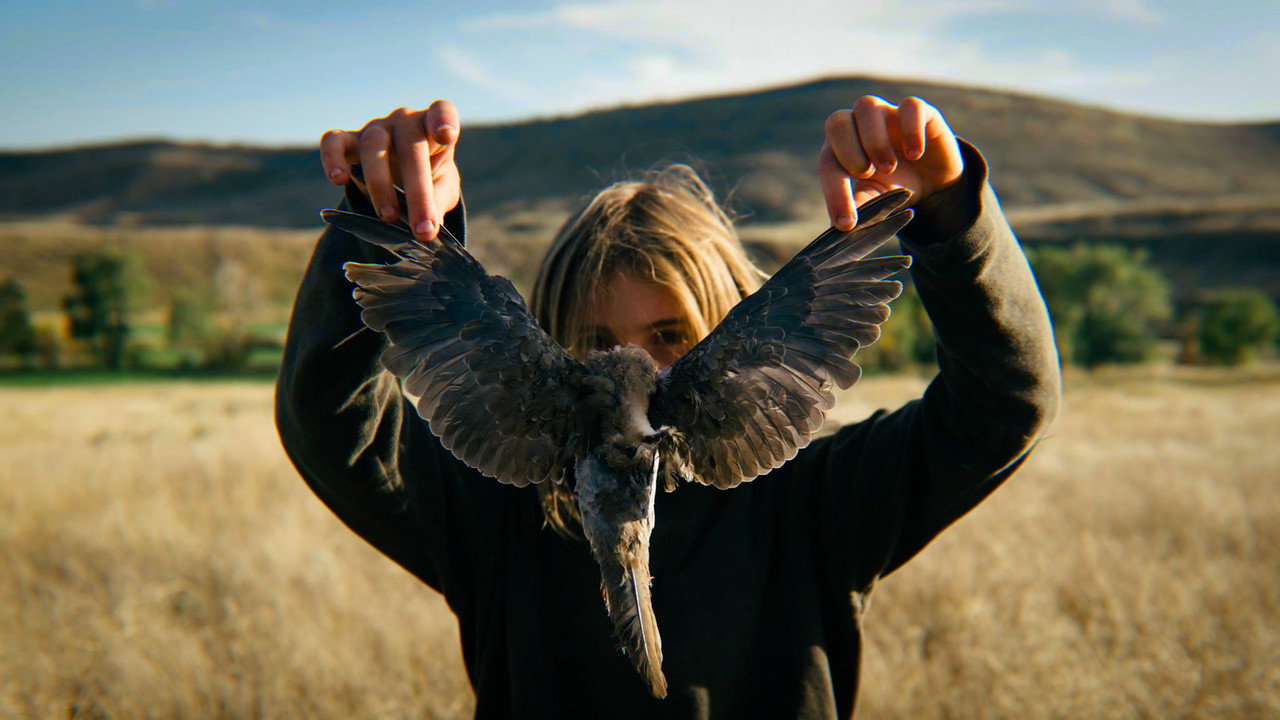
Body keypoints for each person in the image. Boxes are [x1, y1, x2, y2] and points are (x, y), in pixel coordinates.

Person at [276, 95, 1060, 719]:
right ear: (540, 360)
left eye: (670, 335)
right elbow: (331, 420)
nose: (637, 374)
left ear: (740, 336)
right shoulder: (493, 513)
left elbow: (1002, 405)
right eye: (593, 344)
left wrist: (949, 212)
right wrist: (393, 220)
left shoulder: (816, 502)